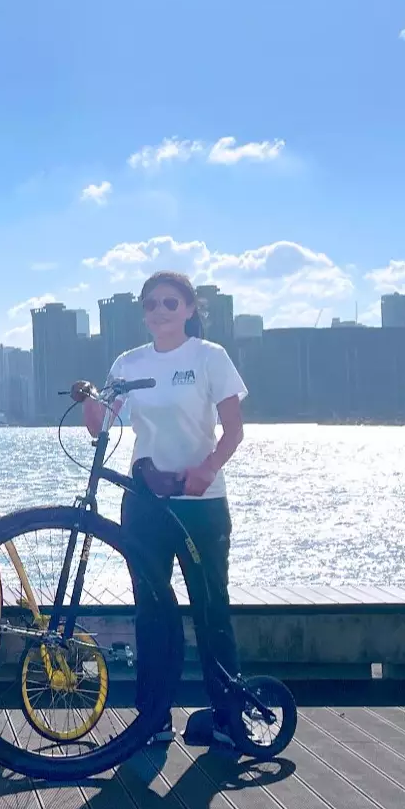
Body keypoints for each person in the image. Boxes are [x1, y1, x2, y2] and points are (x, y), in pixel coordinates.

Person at [82, 270, 247, 750]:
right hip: (145, 503)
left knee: (211, 607)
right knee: (151, 610)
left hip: (200, 502)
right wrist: (90, 402)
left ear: (190, 309)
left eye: (170, 303)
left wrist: (207, 469)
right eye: (151, 304)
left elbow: (234, 430)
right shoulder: (128, 363)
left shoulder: (210, 357)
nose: (159, 311)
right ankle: (153, 717)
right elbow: (100, 426)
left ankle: (229, 716)